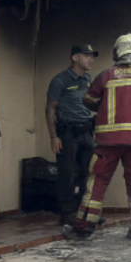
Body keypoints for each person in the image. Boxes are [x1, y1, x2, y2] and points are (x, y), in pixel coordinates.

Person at [64, 33, 131, 242]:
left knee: (97, 182)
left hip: (108, 143)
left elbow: (89, 100)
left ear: (117, 52)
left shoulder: (106, 76)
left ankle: (83, 229)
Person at [45, 44, 98, 226]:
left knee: (87, 174)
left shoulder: (88, 79)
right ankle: (67, 213)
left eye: (92, 56)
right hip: (67, 133)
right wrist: (54, 136)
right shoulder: (60, 80)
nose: (90, 59)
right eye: (86, 56)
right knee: (67, 174)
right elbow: (50, 108)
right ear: (75, 58)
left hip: (86, 132)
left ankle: (83, 213)